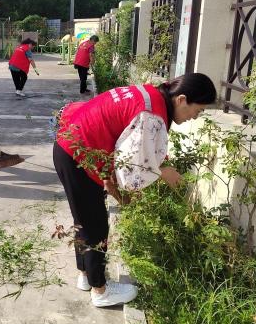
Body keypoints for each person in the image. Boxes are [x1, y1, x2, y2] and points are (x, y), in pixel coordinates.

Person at [53, 73, 217, 307]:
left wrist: (116, 184)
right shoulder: (151, 115)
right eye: (197, 110)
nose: (194, 117)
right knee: (95, 227)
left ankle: (86, 276)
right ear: (181, 99)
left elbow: (125, 143)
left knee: (84, 220)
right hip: (77, 155)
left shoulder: (151, 95)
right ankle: (101, 291)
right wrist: (163, 173)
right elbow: (132, 167)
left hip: (74, 148)